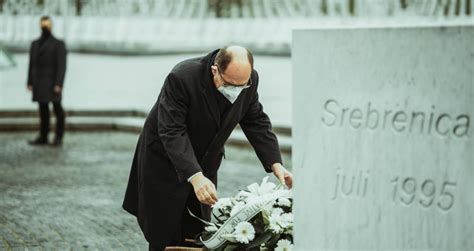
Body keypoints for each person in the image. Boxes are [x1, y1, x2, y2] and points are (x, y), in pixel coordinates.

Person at [122, 46, 293, 250]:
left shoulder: (248, 80)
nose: (236, 91)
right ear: (215, 70)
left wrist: (276, 164)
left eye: (242, 86)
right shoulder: (181, 78)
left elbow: (256, 120)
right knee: (164, 232)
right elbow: (172, 130)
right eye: (230, 84)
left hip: (206, 164)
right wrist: (195, 176)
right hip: (165, 162)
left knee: (200, 231)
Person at [27, 16, 67, 146]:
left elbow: (62, 65)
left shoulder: (58, 44)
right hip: (39, 82)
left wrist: (59, 83)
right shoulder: (35, 44)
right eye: (43, 24)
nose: (45, 27)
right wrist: (30, 81)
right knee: (43, 109)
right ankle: (43, 136)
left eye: (47, 24)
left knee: (57, 109)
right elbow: (32, 64)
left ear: (51, 26)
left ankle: (58, 136)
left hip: (52, 82)